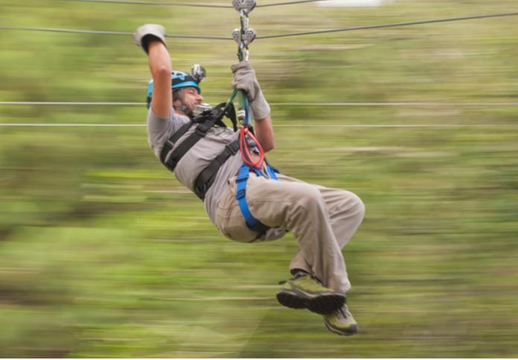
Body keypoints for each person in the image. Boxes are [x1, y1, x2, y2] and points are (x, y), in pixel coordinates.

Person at [134, 24, 365, 336]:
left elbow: (265, 143)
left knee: (349, 205)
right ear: (171, 100)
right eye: (191, 92)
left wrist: (256, 95)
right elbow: (162, 70)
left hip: (262, 186)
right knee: (307, 198)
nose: (199, 96)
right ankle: (335, 297)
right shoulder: (163, 130)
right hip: (233, 201)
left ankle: (306, 276)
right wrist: (151, 35)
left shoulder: (216, 130)